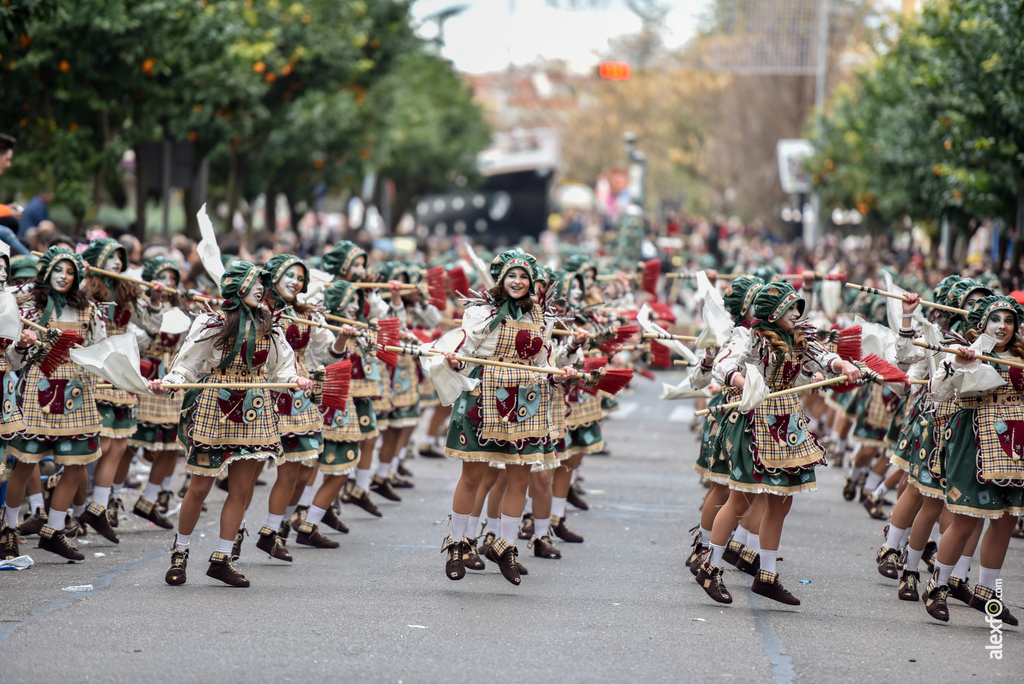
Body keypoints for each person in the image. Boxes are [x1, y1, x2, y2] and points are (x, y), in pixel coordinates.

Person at [696, 281, 861, 605]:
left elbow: (826, 359)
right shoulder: (750, 336)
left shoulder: (800, 337)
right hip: (754, 421)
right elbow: (723, 366)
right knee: (740, 498)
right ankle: (710, 568)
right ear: (772, 312)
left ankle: (767, 575)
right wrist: (747, 386)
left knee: (781, 500)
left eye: (798, 308)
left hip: (787, 423)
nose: (796, 313)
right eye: (790, 308)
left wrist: (845, 365)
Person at [153, 261, 312, 587]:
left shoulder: (271, 326)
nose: (260, 289)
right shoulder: (212, 323)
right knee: (199, 488)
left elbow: (281, 368)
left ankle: (221, 558)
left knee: (241, 489)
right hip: (215, 407)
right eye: (254, 283)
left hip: (255, 409)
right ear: (237, 287)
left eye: (261, 284)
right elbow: (188, 364)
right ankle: (180, 552)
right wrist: (173, 381)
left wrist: (293, 380)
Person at [425, 250, 579, 586]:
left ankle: (506, 546)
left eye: (524, 277)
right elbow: (464, 350)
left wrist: (562, 372)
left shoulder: (542, 316)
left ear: (532, 281)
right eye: (512, 276)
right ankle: (456, 544)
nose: (518, 282)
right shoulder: (482, 312)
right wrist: (453, 361)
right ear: (501, 279)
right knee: (472, 477)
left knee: (519, 479)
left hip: (527, 400)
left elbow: (544, 362)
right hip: (485, 397)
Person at [4, 247, 106, 560]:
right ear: (47, 270)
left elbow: (99, 348)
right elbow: (13, 355)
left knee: (75, 464)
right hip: (38, 388)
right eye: (58, 269)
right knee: (24, 463)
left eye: (71, 271)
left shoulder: (89, 309)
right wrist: (22, 345)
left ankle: (54, 530)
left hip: (77, 392)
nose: (64, 276)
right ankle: (8, 530)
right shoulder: (29, 304)